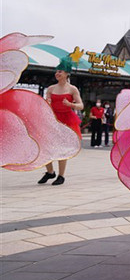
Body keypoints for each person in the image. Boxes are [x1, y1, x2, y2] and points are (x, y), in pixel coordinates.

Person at [38, 57, 84, 186]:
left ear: (66, 74)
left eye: (60, 71)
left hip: (67, 120)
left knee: (62, 148)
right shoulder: (51, 88)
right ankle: (50, 172)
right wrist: (47, 103)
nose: (57, 74)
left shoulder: (72, 89)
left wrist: (71, 104)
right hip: (52, 119)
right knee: (45, 146)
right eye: (56, 71)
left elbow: (81, 105)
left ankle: (61, 175)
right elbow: (47, 101)